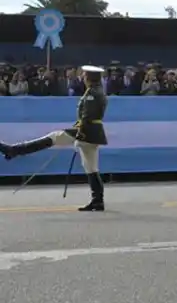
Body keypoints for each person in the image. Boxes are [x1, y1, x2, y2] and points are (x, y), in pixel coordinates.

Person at [1, 65, 108, 212]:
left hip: (87, 132)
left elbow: (88, 116)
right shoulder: (96, 91)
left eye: (84, 75)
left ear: (89, 77)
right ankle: (98, 201)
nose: (82, 77)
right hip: (92, 133)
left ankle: (14, 150)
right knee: (91, 167)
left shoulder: (93, 93)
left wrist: (80, 133)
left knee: (55, 137)